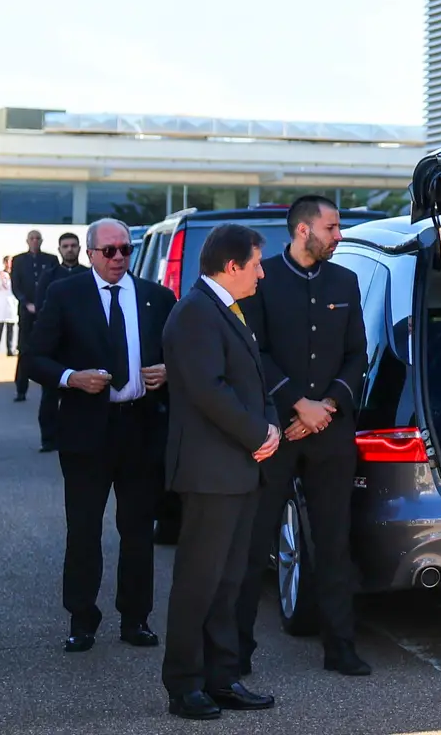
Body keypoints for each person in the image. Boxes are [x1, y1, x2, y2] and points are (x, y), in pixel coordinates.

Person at [234, 196, 371, 679]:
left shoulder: (345, 281)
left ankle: (341, 648)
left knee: (333, 543)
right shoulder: (264, 279)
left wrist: (327, 405)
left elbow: (358, 354)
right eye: (332, 227)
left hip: (330, 432)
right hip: (277, 431)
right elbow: (256, 351)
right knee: (254, 542)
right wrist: (297, 404)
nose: (339, 235)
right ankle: (237, 652)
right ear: (302, 231)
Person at [23, 218, 175, 652]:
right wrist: (72, 377)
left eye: (125, 249)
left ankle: (136, 618)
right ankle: (82, 619)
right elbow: (35, 358)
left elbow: (183, 353)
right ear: (89, 253)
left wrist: (169, 371)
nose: (118, 258)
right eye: (108, 251)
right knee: (84, 530)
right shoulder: (65, 295)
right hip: (86, 432)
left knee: (138, 530)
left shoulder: (156, 298)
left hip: (140, 428)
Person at [160, 223, 280, 719]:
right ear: (231, 266)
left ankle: (222, 677)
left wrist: (269, 424)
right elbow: (210, 392)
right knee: (199, 582)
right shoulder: (194, 314)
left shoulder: (226, 308)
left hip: (238, 469)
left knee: (229, 581)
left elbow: (250, 382)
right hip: (212, 472)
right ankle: (184, 684)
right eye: (255, 263)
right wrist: (259, 435)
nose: (261, 273)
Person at [33, 232, 86, 451]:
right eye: (65, 246)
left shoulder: (88, 274)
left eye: (73, 245)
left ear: (80, 248)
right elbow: (40, 306)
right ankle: (49, 438)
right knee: (50, 393)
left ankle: (81, 435)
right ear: (59, 250)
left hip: (83, 341)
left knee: (83, 394)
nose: (70, 249)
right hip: (56, 344)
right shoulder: (50, 276)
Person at [12, 229, 60, 401]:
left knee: (49, 349)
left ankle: (51, 388)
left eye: (37, 238)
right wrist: (26, 303)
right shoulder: (18, 260)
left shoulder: (51, 260)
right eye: (32, 238)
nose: (34, 241)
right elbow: (15, 286)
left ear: (41, 241)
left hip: (47, 311)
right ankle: (21, 389)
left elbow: (56, 283)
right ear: (27, 241)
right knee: (24, 350)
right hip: (27, 312)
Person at [0, 256, 18, 355]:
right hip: (1, 304)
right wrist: (1, 279)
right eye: (6, 261)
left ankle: (10, 349)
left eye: (10, 262)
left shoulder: (16, 274)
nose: (8, 264)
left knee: (11, 329)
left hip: (12, 304)